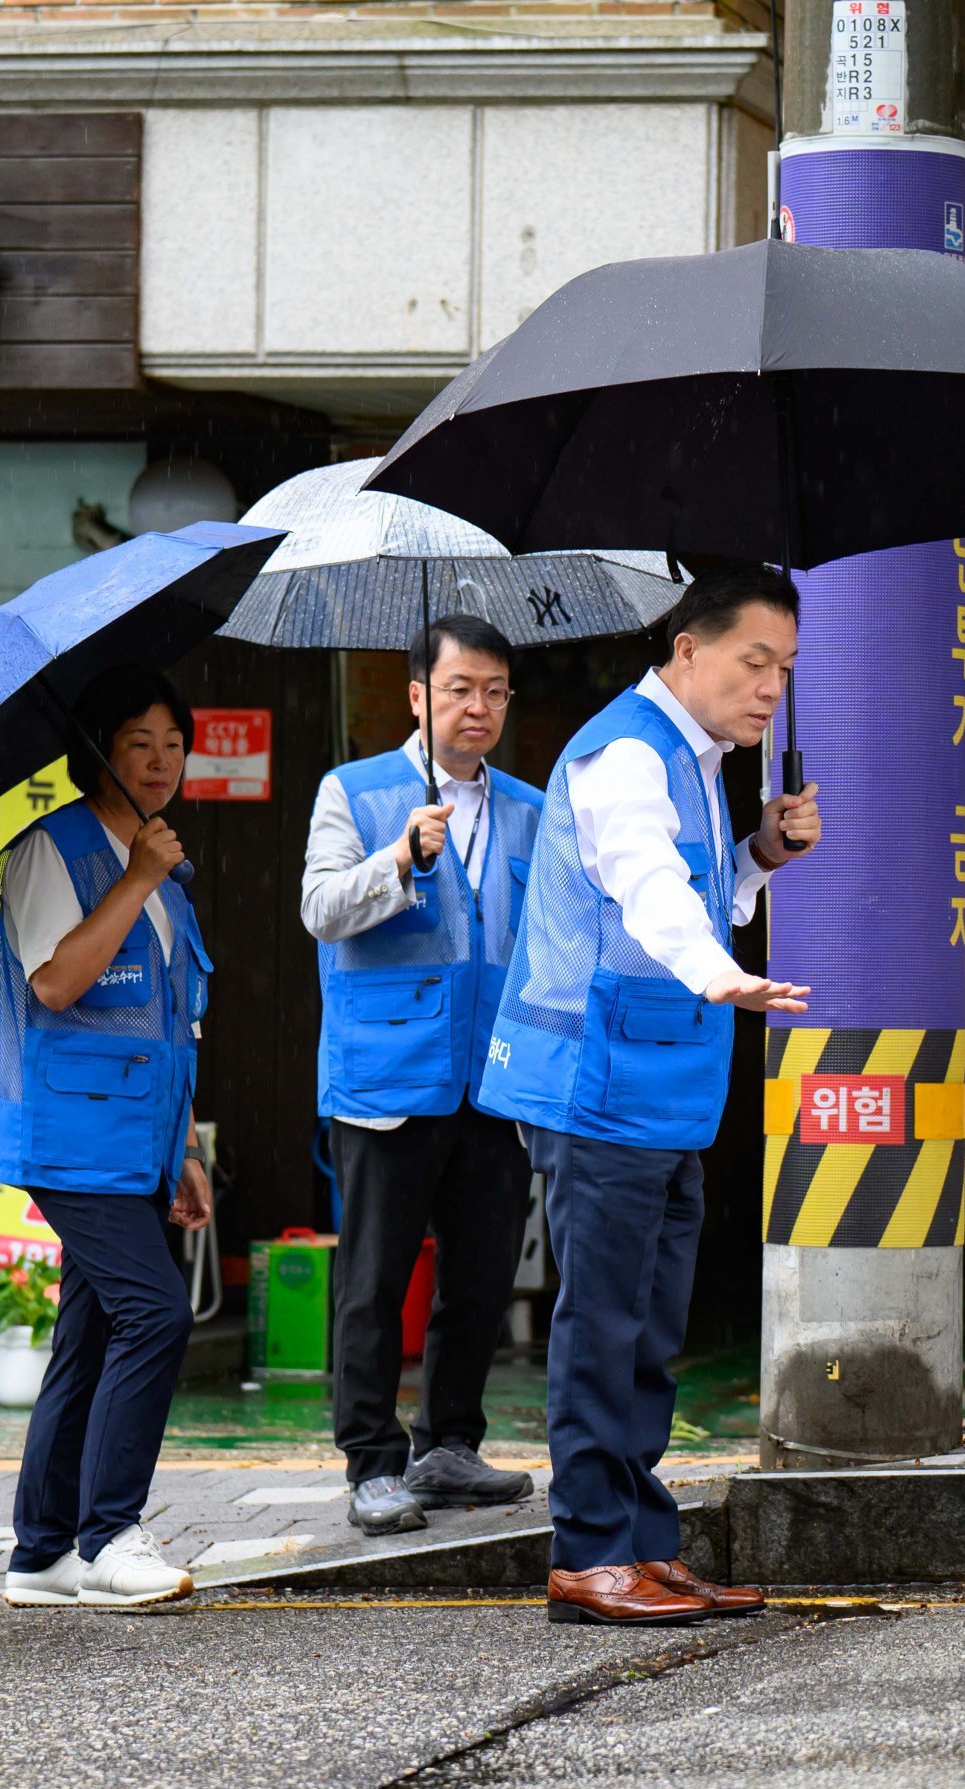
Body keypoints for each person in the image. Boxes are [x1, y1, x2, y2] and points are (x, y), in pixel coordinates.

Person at [478, 563, 822, 1625]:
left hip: (661, 1081)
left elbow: (702, 886)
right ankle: (589, 1554)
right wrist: (715, 969)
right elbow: (646, 883)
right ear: (686, 651)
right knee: (604, 1325)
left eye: (785, 669)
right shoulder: (629, 750)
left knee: (649, 1325)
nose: (770, 687)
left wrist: (761, 850)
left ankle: (643, 1542)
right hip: (601, 1081)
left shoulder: (696, 758)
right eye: (752, 661)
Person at [302, 613, 543, 1535]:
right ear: (417, 695)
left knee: (480, 1276)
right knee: (375, 1278)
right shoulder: (354, 792)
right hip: (385, 1078)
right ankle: (371, 1460)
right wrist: (400, 856)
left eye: (493, 690)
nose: (476, 707)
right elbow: (321, 908)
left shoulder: (528, 807)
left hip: (496, 1079)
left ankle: (450, 1444)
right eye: (458, 690)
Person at [0, 665, 212, 1607]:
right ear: (95, 760)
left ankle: (41, 1552)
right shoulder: (52, 851)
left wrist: (188, 1149)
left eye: (173, 745)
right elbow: (55, 982)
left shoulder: (169, 874)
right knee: (156, 1312)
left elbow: (173, 1028)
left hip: (135, 1143)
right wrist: (136, 879)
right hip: (66, 1134)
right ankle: (111, 1533)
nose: (160, 763)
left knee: (90, 1332)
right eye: (138, 746)